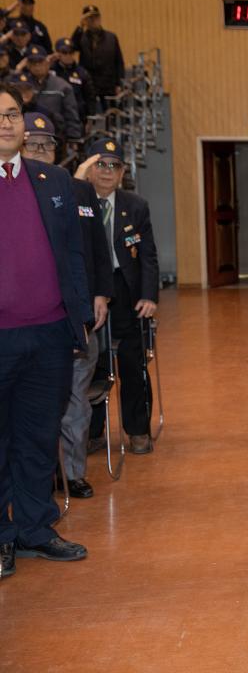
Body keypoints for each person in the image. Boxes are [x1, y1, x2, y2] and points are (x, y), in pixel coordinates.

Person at [0, 83, 91, 577]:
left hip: (51, 334)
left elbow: (72, 254)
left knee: (37, 438)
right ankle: (1, 536)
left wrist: (77, 313)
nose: (7, 123)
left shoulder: (53, 180)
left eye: (12, 113)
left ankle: (36, 529)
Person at [21, 113, 111, 500]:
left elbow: (93, 250)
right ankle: (40, 479)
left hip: (74, 314)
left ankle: (72, 473)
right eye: (34, 143)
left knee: (76, 398)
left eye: (48, 144)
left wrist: (100, 294)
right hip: (24, 318)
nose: (42, 151)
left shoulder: (75, 191)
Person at [84, 139, 159, 456]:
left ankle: (138, 429)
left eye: (114, 166)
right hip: (88, 293)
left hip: (126, 293)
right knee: (93, 365)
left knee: (132, 364)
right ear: (88, 169)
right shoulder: (75, 201)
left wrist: (149, 296)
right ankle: (92, 431)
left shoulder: (135, 205)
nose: (106, 172)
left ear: (122, 172)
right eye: (100, 164)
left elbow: (148, 256)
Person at [23, 45, 81, 142]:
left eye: (40, 62)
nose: (37, 67)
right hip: (26, 136)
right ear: (28, 65)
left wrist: (73, 137)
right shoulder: (22, 85)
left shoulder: (62, 86)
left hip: (55, 136)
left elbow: (71, 114)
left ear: (48, 63)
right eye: (33, 63)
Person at [70, 5, 124, 109]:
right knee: (90, 115)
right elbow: (71, 47)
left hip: (108, 84)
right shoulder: (81, 37)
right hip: (89, 84)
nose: (93, 20)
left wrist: (119, 84)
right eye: (89, 18)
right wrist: (80, 27)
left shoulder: (111, 37)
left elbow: (119, 61)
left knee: (111, 114)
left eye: (95, 17)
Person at [52, 37, 96, 121]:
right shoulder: (51, 71)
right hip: (56, 117)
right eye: (65, 52)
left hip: (77, 117)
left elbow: (90, 97)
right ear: (57, 54)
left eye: (71, 52)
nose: (69, 55)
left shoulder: (82, 73)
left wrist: (90, 119)